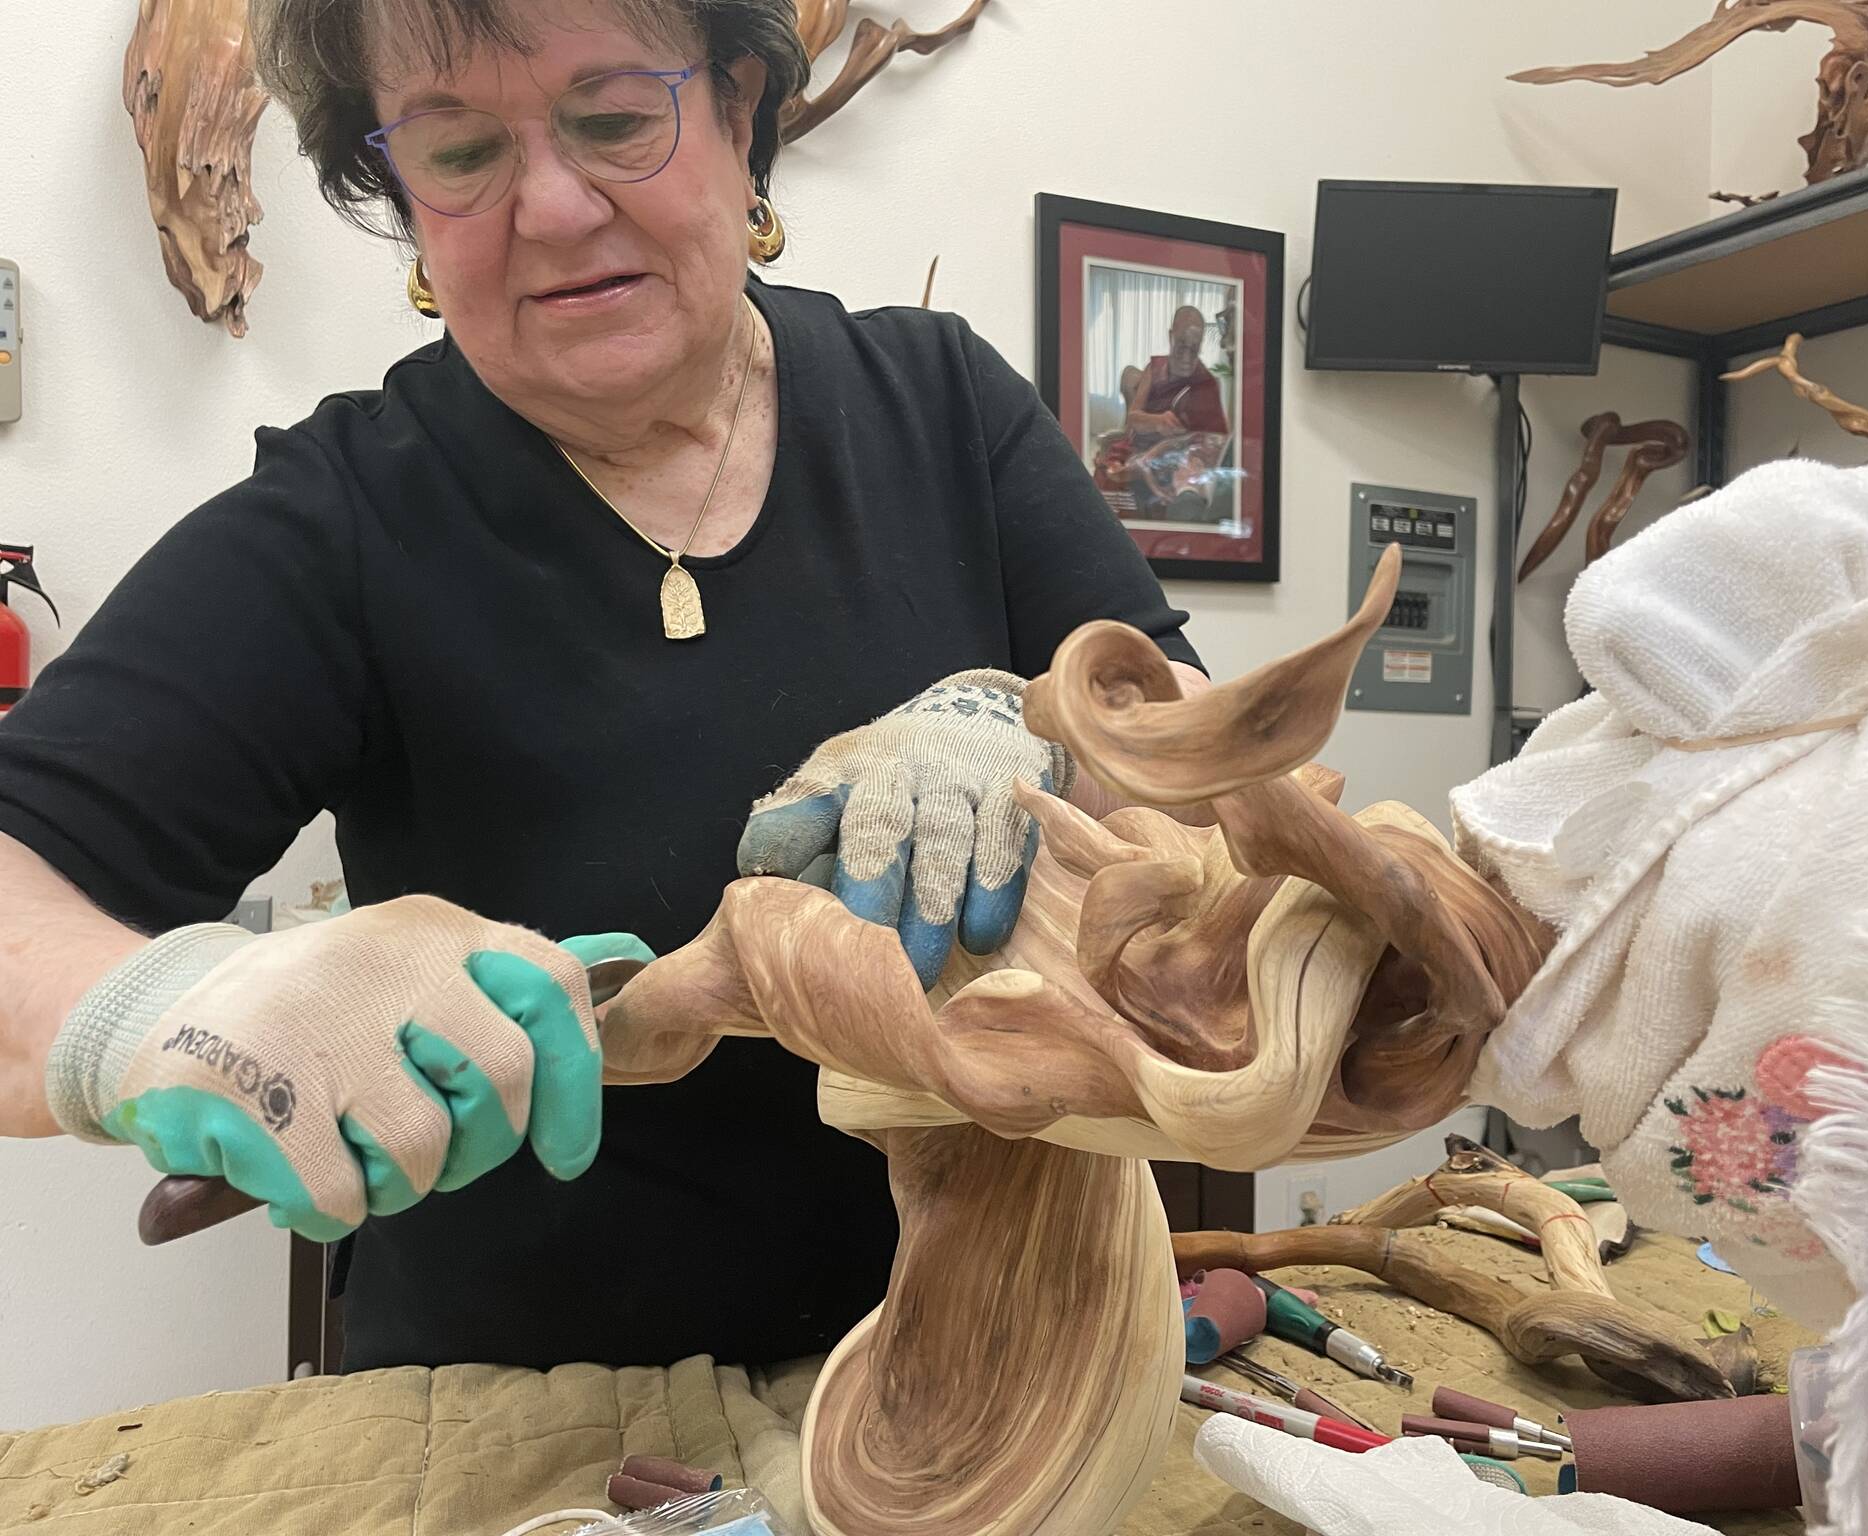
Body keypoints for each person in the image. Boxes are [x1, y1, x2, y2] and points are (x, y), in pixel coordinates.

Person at [0, 0, 1205, 1377]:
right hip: (542, 1429)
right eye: (459, 153)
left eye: (617, 118)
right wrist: (153, 1014)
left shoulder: (941, 407)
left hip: (996, 1365)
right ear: (399, 193)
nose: (557, 208)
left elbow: (1203, 763)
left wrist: (1030, 728)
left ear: (740, 113)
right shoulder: (343, 525)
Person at [1094, 304, 1233, 520]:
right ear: (1171, 337)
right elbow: (1133, 419)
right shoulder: (1155, 368)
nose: (1187, 357)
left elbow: (1217, 441)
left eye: (1194, 349)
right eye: (1181, 346)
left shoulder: (1206, 384)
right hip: (1139, 453)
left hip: (1176, 465)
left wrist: (1177, 445)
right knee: (1106, 480)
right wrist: (1157, 421)